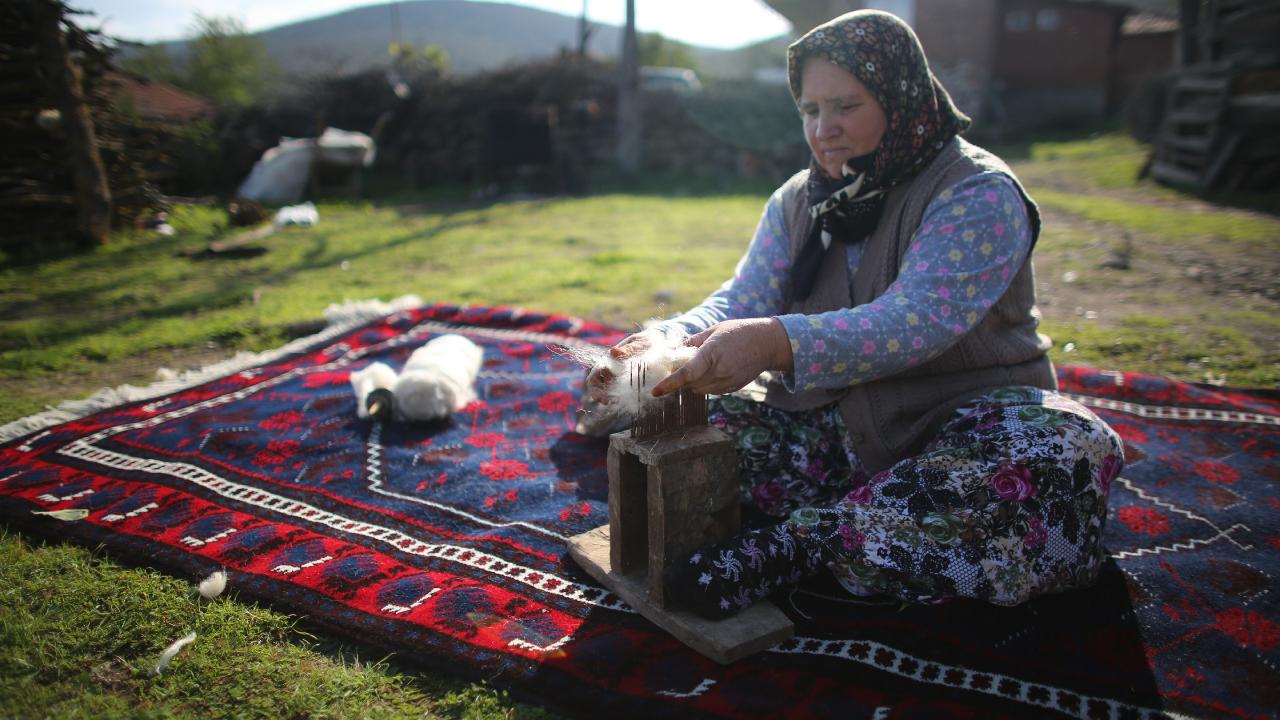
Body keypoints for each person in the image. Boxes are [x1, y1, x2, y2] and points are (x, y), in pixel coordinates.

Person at [587, 10, 1123, 619]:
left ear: (902, 100)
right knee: (683, 423)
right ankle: (868, 529)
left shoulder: (976, 193)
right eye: (811, 111)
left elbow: (914, 320)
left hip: (964, 421)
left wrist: (772, 343)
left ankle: (801, 543)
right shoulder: (799, 199)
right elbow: (743, 299)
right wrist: (666, 341)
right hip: (836, 428)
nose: (825, 130)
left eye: (846, 106)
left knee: (1062, 454)